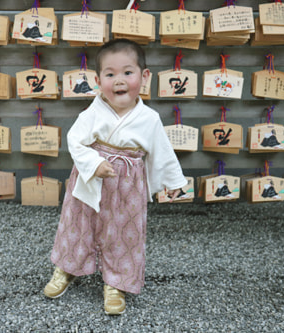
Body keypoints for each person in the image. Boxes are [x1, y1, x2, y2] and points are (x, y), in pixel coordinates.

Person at [44, 39, 187, 315]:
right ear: (98, 81)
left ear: (144, 77)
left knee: (123, 233)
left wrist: (174, 183)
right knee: (78, 223)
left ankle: (116, 282)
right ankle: (67, 268)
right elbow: (75, 140)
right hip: (90, 179)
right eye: (110, 74)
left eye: (127, 72)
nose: (118, 80)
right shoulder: (93, 112)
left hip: (127, 185)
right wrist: (93, 163)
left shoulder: (150, 118)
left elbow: (162, 152)